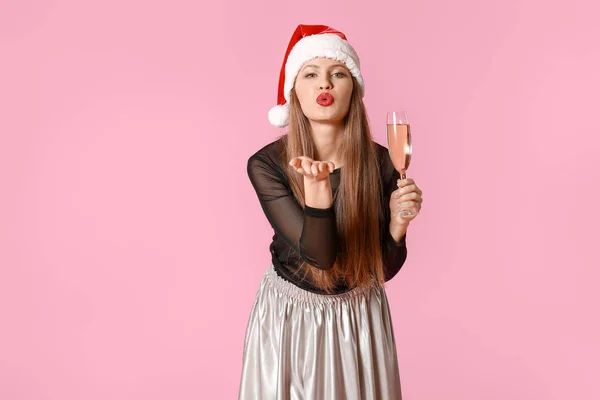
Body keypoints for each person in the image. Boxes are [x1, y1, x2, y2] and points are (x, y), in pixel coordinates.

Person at [238, 24, 423, 400]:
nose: (325, 84)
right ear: (295, 94)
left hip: (360, 318)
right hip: (291, 319)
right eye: (311, 74)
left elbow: (380, 270)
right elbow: (320, 258)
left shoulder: (381, 161)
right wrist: (318, 190)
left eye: (338, 74)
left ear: (353, 89)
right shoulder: (266, 165)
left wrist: (398, 227)